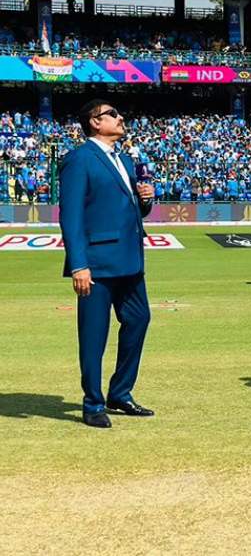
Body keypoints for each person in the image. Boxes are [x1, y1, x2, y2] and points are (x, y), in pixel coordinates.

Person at [59, 100, 155, 428]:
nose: (120, 117)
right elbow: (70, 216)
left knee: (139, 319)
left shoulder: (126, 161)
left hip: (130, 261)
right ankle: (92, 402)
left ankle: (120, 393)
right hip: (96, 265)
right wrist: (78, 264)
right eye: (112, 114)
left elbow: (135, 213)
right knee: (93, 336)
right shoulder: (79, 159)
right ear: (94, 122)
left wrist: (146, 200)